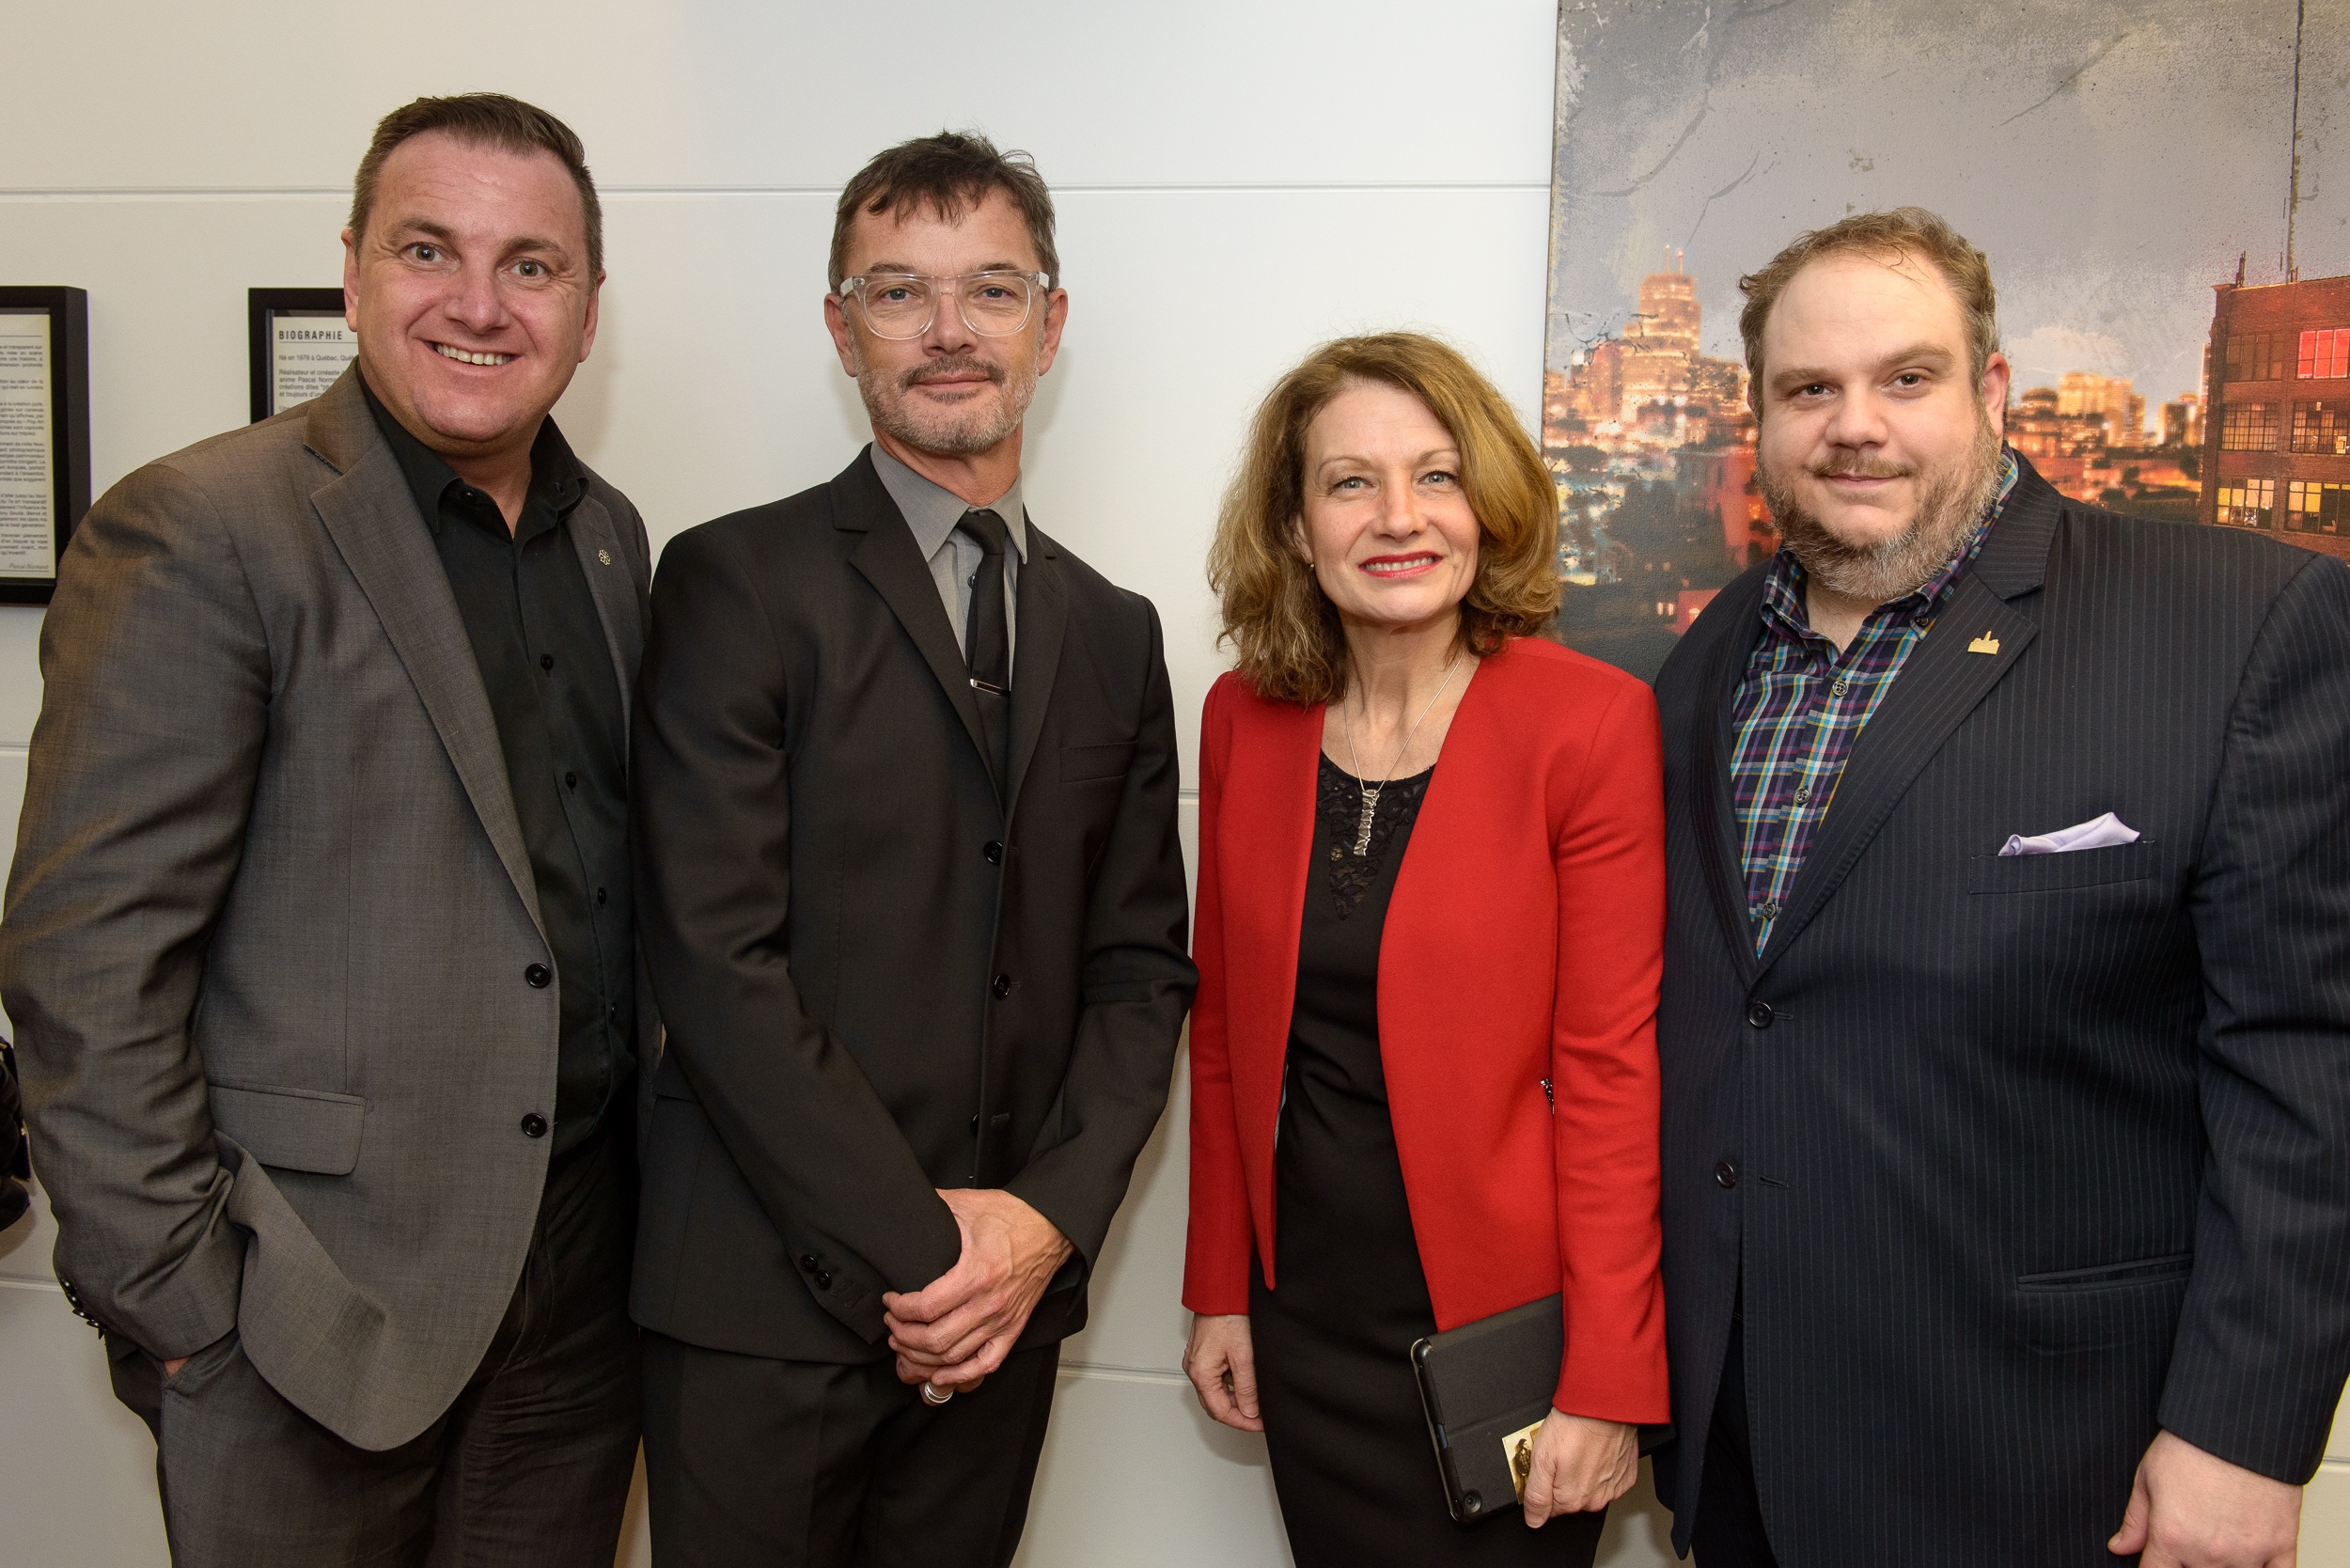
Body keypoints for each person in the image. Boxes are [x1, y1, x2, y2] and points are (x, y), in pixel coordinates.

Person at [0, 93, 650, 1565]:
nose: (478, 303)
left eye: (531, 265)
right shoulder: (203, 528)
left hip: (574, 1309)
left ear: (588, 308)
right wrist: (185, 1307)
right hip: (303, 1317)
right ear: (352, 272)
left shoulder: (609, 537)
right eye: (429, 250)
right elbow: (87, 960)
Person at [1651, 206, 2350, 1568]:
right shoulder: (1711, 654)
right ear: (1763, 418)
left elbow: (2308, 1067)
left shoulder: (2236, 626)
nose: (1856, 426)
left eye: (1905, 378)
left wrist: (2245, 1431)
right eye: (1810, 389)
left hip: (2060, 1462)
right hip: (1747, 1450)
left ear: (1992, 390)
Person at [628, 130, 1196, 1566]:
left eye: (992, 289)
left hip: (1005, 1312)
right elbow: (714, 959)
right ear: (842, 329)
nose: (950, 330)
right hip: (765, 1310)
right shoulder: (731, 581)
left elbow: (1140, 973)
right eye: (899, 292)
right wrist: (937, 1256)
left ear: (1049, 326)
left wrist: (1040, 1229)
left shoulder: (1116, 633)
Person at [1180, 333, 1670, 1566]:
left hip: (1507, 1336)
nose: (1399, 517)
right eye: (1351, 482)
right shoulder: (1244, 717)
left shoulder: (1589, 723)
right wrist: (1220, 1288)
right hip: (1305, 1322)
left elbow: (1612, 1076)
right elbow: (1225, 1038)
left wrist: (1609, 1375)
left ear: (1485, 508)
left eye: (1437, 476)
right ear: (1296, 528)